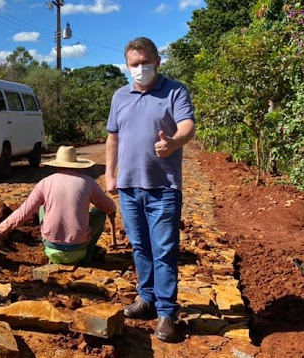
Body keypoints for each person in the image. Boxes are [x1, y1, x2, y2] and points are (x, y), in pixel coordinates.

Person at [105, 37, 195, 342]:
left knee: (165, 250)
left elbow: (187, 126)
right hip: (129, 187)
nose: (140, 69)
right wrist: (108, 173)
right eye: (134, 64)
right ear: (127, 66)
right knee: (141, 247)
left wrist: (173, 142)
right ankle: (147, 299)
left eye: (145, 63)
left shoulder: (175, 90)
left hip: (164, 187)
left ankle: (167, 312)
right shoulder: (120, 95)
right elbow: (113, 138)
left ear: (157, 62)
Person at [0, 146, 116, 265]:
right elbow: (110, 207)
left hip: (52, 250)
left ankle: (58, 246)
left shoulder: (44, 183)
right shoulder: (87, 182)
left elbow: (22, 213)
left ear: (56, 165)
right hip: (78, 252)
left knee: (42, 207)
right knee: (100, 213)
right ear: (76, 165)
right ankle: (87, 257)